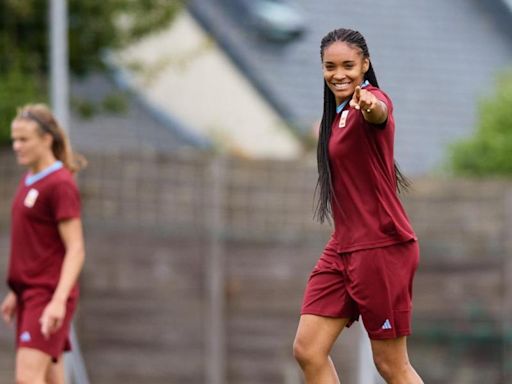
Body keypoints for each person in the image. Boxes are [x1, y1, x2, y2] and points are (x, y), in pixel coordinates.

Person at [293, 28, 424, 383]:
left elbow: (380, 112)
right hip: (344, 247)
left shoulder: (370, 101)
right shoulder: (334, 120)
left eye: (348, 65)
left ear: (365, 65)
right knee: (308, 349)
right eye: (330, 66)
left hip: (381, 246)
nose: (339, 74)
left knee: (391, 366)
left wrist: (370, 105)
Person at [1, 104, 86, 384]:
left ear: (46, 139)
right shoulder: (30, 180)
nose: (16, 146)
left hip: (46, 294)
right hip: (30, 293)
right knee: (51, 380)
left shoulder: (60, 184)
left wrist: (58, 301)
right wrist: (18, 291)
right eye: (14, 139)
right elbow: (37, 243)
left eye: (24, 139)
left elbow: (75, 248)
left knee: (27, 379)